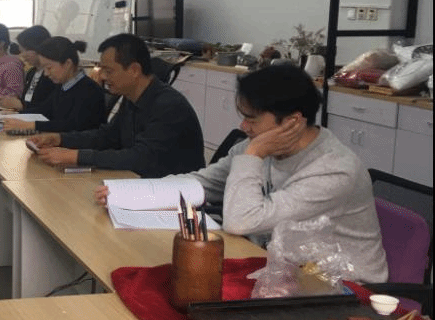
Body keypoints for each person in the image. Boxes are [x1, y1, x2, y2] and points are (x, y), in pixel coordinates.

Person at [98, 64, 387, 282]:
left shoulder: (334, 170)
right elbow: (203, 182)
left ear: (292, 122)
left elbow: (242, 221)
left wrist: (254, 155)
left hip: (343, 287)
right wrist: (130, 194)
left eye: (252, 119)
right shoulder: (262, 146)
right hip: (281, 269)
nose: (244, 127)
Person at [31, 33, 204, 176]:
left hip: (173, 195)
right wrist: (60, 138)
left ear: (134, 70)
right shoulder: (131, 97)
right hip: (139, 182)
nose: (102, 77)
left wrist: (76, 156)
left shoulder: (169, 106)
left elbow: (140, 158)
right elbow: (108, 136)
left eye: (109, 71)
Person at [1, 37, 106, 133]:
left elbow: (71, 126)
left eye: (49, 68)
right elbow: (44, 110)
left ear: (68, 64)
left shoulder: (90, 91)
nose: (46, 74)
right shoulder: (62, 86)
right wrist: (17, 115)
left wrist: (31, 125)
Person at [0, 25, 55, 111]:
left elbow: (48, 108)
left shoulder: (51, 75)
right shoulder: (32, 72)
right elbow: (26, 100)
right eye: (21, 51)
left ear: (39, 48)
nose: (23, 55)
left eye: (26, 50)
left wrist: (20, 105)